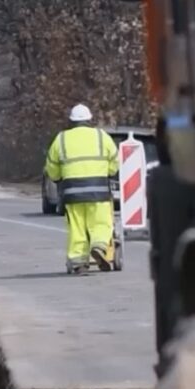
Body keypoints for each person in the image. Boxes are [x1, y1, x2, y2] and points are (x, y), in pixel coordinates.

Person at [45, 103, 120, 275]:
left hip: (72, 193)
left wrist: (58, 178)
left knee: (77, 228)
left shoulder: (61, 139)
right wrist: (109, 172)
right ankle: (99, 247)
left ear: (71, 121)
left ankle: (79, 263)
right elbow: (114, 161)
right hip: (98, 191)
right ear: (90, 120)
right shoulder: (101, 136)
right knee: (101, 222)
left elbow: (52, 167)